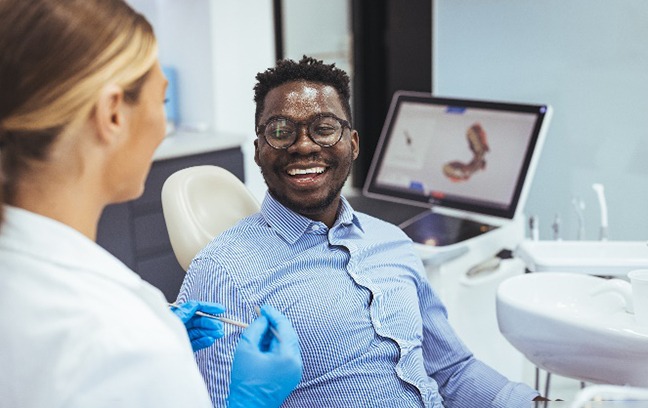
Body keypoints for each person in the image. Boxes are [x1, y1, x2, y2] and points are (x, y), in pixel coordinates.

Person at [177, 56, 545, 407]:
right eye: (280, 131)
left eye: (324, 129)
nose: (304, 145)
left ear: (352, 144)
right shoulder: (222, 273)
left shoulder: (391, 241)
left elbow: (452, 372)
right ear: (259, 151)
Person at [0, 1, 301, 407]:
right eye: (162, 101)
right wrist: (248, 401)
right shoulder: (125, 338)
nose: (162, 126)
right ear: (112, 115)